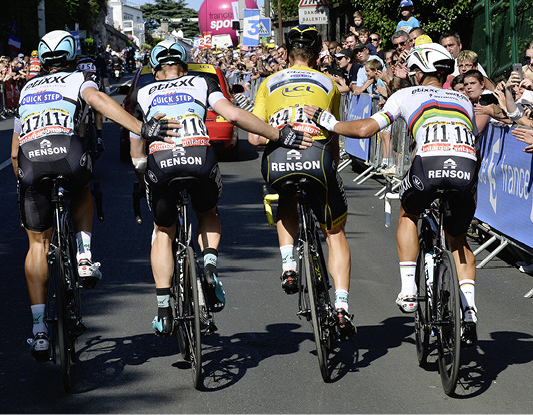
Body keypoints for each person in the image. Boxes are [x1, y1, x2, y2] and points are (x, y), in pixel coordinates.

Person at [11, 30, 180, 361]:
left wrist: (23, 178)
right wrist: (140, 128)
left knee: (36, 243)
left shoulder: (27, 89)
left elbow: (15, 151)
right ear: (72, 55)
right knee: (83, 188)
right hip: (68, 155)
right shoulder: (77, 80)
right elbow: (100, 102)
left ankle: (39, 331)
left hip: (31, 160)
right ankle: (85, 256)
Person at [129, 40, 313, 337]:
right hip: (199, 159)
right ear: (185, 66)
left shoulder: (144, 92)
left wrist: (141, 175)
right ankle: (210, 264)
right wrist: (278, 135)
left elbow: (136, 144)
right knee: (208, 211)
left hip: (160, 164)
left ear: (155, 71)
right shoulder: (202, 82)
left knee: (164, 230)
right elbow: (236, 116)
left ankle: (164, 310)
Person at [305, 42, 480, 348]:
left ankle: (409, 289)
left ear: (420, 71)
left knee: (409, 212)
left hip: (429, 166)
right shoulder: (463, 99)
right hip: (466, 166)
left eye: (414, 70)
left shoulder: (405, 95)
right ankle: (469, 312)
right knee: (458, 239)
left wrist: (328, 121)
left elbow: (365, 131)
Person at [247, 25, 356, 340]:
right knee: (334, 231)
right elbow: (332, 132)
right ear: (318, 52)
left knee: (286, 199)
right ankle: (341, 304)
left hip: (278, 160)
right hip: (317, 156)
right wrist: (331, 166)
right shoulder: (328, 83)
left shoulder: (267, 83)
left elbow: (254, 137)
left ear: (286, 52)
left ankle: (288, 266)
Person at [76, 38, 110, 152]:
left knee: (81, 117)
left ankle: (80, 142)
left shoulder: (77, 59)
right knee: (98, 112)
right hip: (95, 89)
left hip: (80, 90)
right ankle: (99, 137)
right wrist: (107, 92)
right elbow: (104, 77)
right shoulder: (98, 59)